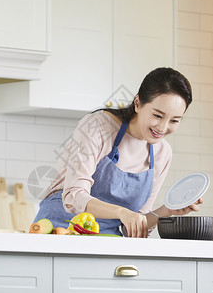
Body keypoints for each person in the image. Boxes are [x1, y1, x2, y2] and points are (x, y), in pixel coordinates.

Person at [33, 67, 203, 237]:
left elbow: (133, 227)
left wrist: (168, 210)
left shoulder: (162, 153)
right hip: (58, 234)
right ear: (137, 103)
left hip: (109, 244)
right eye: (158, 116)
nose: (163, 128)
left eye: (174, 120)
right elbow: (73, 197)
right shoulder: (97, 126)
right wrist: (122, 212)